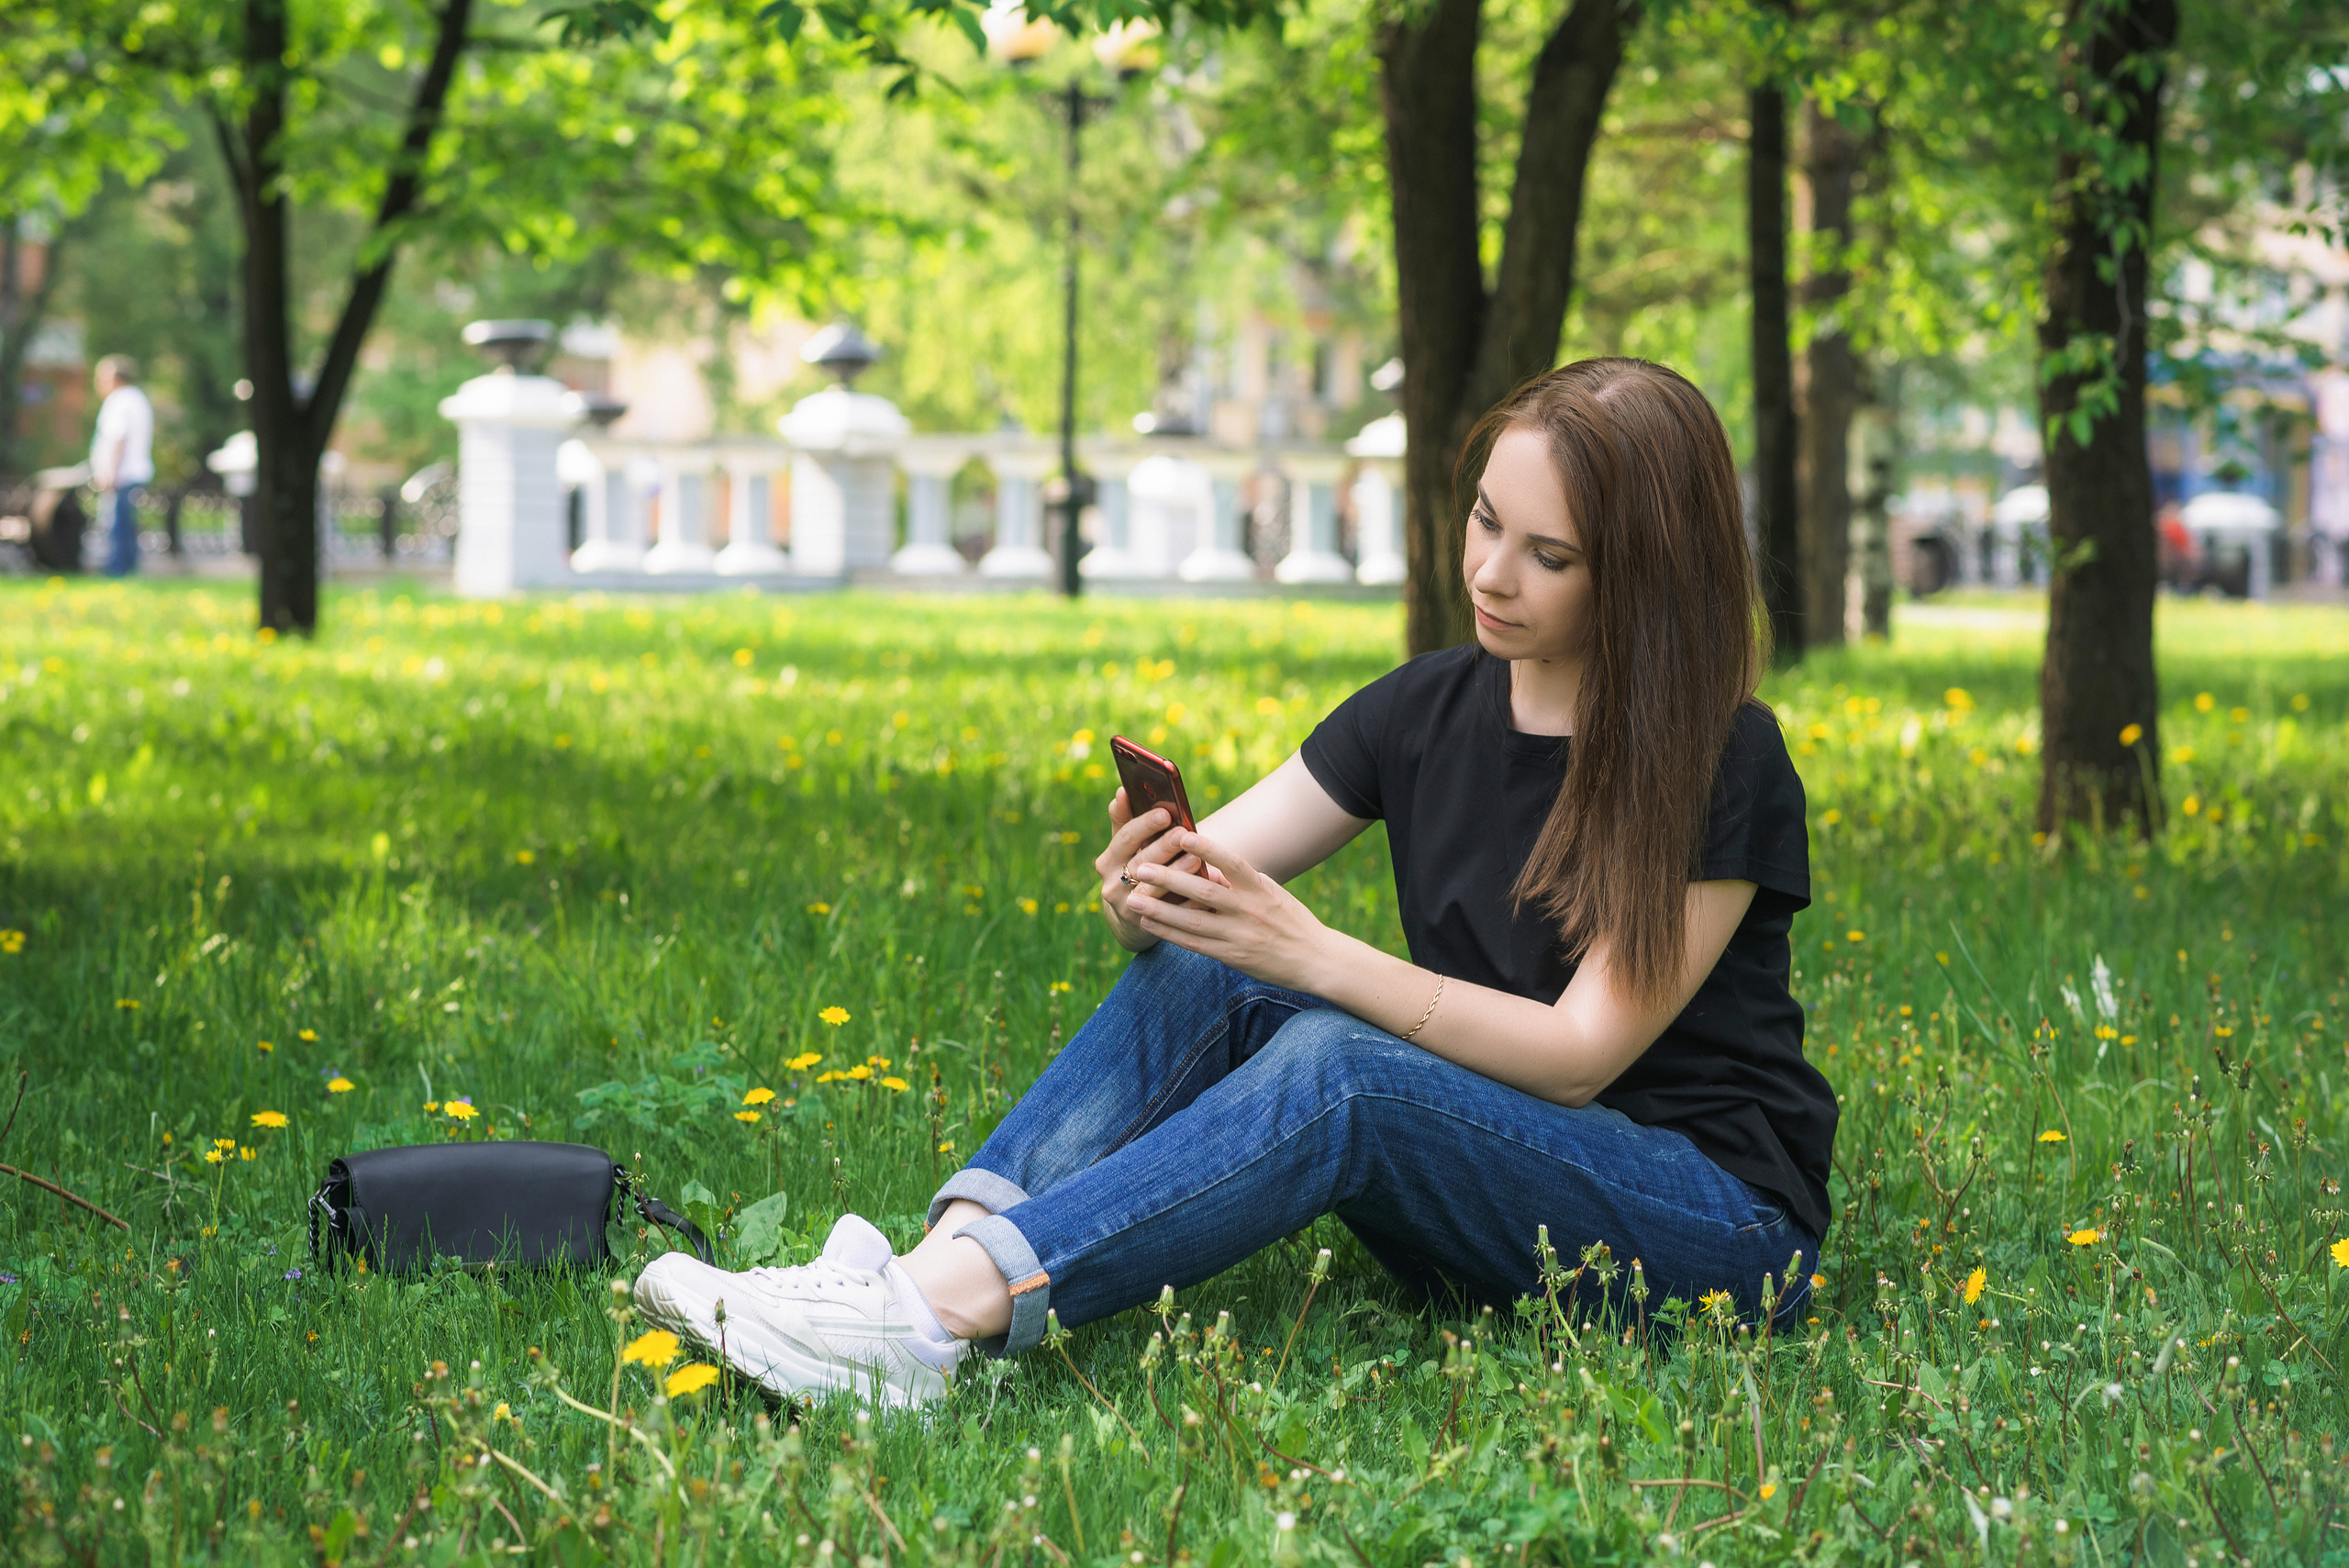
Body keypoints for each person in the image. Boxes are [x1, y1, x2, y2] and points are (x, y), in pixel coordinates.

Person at [637, 358, 1834, 1407]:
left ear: (1638, 573)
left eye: (1549, 554)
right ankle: (912, 1288)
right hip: (1492, 1185)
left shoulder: (1721, 756)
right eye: (1483, 521)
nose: (1492, 571)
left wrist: (1313, 955)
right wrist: (1152, 892)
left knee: (1341, 1068)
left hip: (1709, 1225)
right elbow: (1226, 882)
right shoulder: (1421, 708)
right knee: (1218, 962)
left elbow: (1582, 1056)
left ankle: (937, 1312)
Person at [89, 355, 155, 577]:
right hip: (133, 472)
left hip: (122, 474)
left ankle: (118, 571)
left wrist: (109, 473)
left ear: (115, 378)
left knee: (118, 525)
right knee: (126, 524)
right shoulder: (137, 399)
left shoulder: (120, 401)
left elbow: (119, 438)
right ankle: (129, 569)